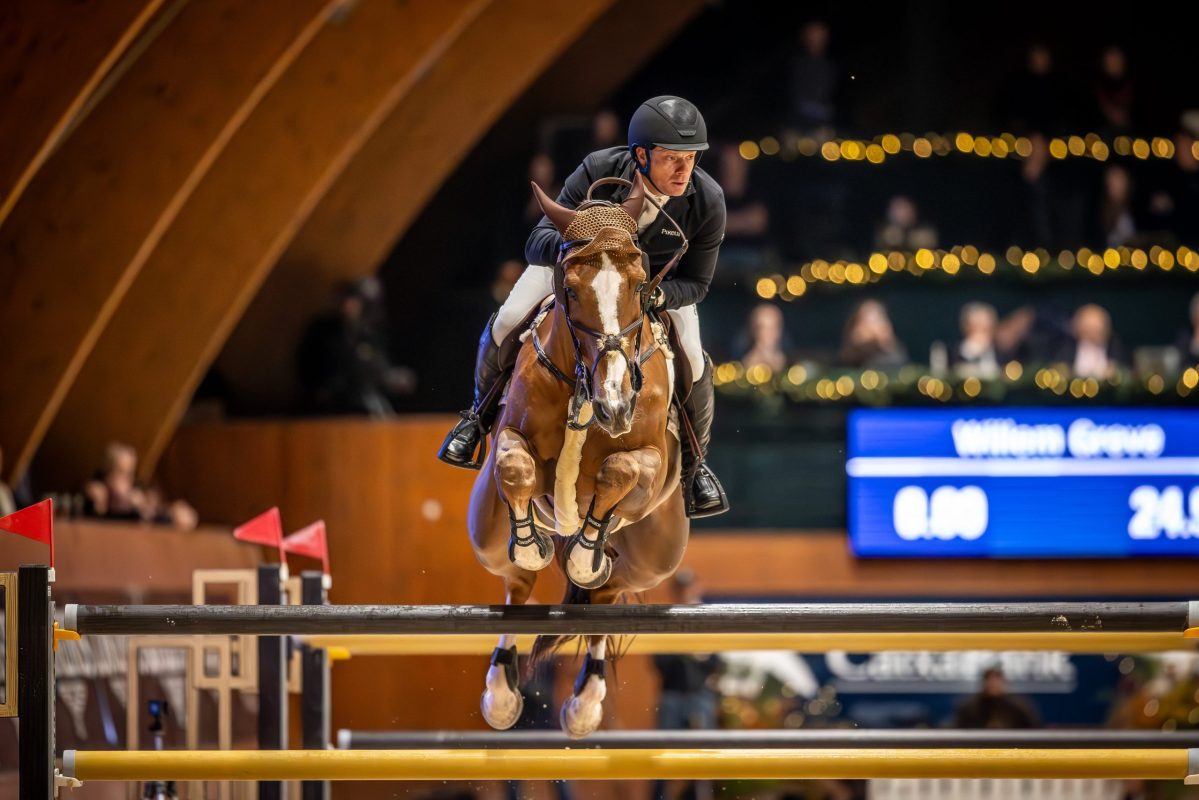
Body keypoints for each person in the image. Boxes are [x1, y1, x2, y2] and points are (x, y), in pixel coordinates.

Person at [438, 95, 729, 518]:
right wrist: (582, 243)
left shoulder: (708, 200)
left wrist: (656, 297)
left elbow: (698, 283)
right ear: (641, 156)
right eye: (671, 159)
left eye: (691, 158)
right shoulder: (598, 169)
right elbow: (536, 241)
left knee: (694, 359)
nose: (684, 171)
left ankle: (695, 468)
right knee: (504, 322)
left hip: (652, 291)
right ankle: (476, 420)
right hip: (579, 274)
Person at [652, 569, 720, 800]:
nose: (684, 593)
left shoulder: (706, 619)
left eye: (688, 588)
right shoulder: (666, 618)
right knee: (662, 759)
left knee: (702, 761)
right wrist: (690, 653)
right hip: (674, 695)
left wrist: (684, 653)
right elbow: (658, 661)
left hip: (697, 695)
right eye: (680, 589)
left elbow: (715, 661)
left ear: (696, 588)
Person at [954, 666, 1040, 729]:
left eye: (997, 678)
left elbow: (1034, 731)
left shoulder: (1019, 707)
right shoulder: (970, 708)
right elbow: (960, 731)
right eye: (989, 679)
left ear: (1004, 682)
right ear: (984, 682)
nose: (993, 683)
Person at [839, 299, 908, 369]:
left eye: (876, 321)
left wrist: (884, 344)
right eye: (865, 321)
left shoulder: (895, 360)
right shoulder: (838, 363)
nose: (870, 328)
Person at [953, 302, 1001, 380]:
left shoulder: (1003, 353)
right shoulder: (952, 355)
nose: (980, 336)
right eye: (975, 328)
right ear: (966, 328)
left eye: (985, 329)